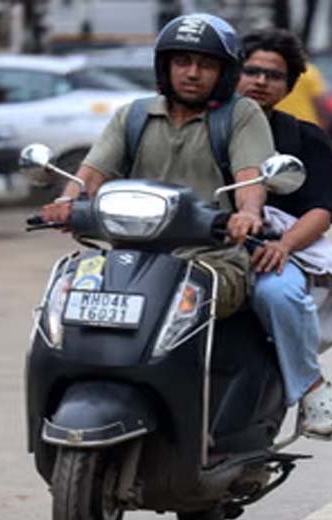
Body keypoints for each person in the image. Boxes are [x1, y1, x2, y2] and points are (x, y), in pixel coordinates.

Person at [41, 13, 275, 319]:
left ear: (224, 72)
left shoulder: (241, 115)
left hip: (211, 258)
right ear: (165, 66)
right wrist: (66, 202)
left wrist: (247, 214)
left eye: (206, 65)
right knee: (68, 298)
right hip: (129, 256)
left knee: (175, 303)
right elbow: (92, 174)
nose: (193, 73)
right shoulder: (133, 115)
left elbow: (250, 179)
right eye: (182, 62)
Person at [237, 28, 332, 439]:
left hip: (267, 250)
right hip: (200, 247)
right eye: (251, 71)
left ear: (288, 87)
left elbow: (321, 211)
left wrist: (283, 245)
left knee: (279, 293)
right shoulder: (205, 129)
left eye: (274, 75)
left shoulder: (304, 138)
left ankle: (310, 385)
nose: (260, 82)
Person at [275, 61, 327, 126]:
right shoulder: (310, 72)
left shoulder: (276, 71)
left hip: (278, 123)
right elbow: (319, 102)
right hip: (306, 123)